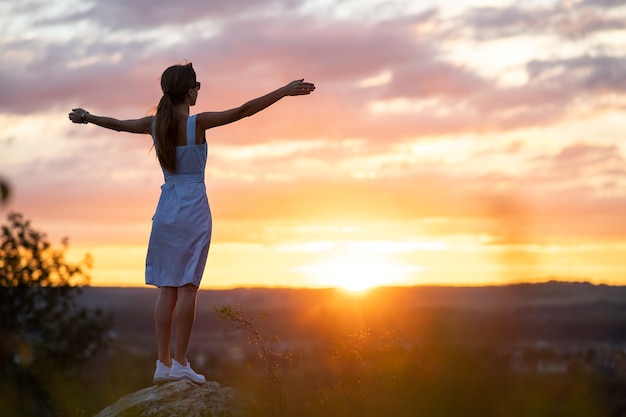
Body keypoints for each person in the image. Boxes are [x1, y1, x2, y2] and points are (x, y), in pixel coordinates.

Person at [69, 62, 315, 384]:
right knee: (187, 287)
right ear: (189, 91)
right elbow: (244, 110)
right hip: (193, 207)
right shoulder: (197, 124)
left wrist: (88, 117)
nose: (199, 91)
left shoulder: (154, 125)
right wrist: (283, 91)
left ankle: (162, 363)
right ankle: (181, 361)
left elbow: (117, 124)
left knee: (167, 290)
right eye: (198, 86)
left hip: (166, 207)